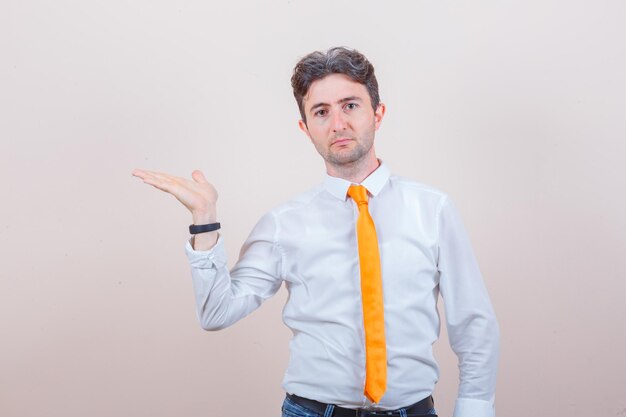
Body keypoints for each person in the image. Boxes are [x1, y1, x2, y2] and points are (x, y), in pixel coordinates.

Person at [132, 47, 499, 417]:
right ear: (305, 128)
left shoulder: (433, 209)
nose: (337, 123)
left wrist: (475, 408)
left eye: (350, 105)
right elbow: (216, 313)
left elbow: (473, 321)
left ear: (379, 113)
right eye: (321, 112)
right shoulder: (284, 223)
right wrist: (204, 218)